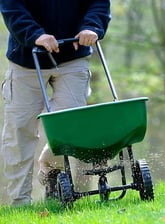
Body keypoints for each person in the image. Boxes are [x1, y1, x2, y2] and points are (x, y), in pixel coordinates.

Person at [0, 0, 111, 206]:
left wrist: (92, 26)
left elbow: (98, 2)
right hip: (26, 57)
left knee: (70, 125)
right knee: (19, 131)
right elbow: (10, 5)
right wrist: (35, 35)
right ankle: (20, 201)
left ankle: (52, 171)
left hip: (73, 55)